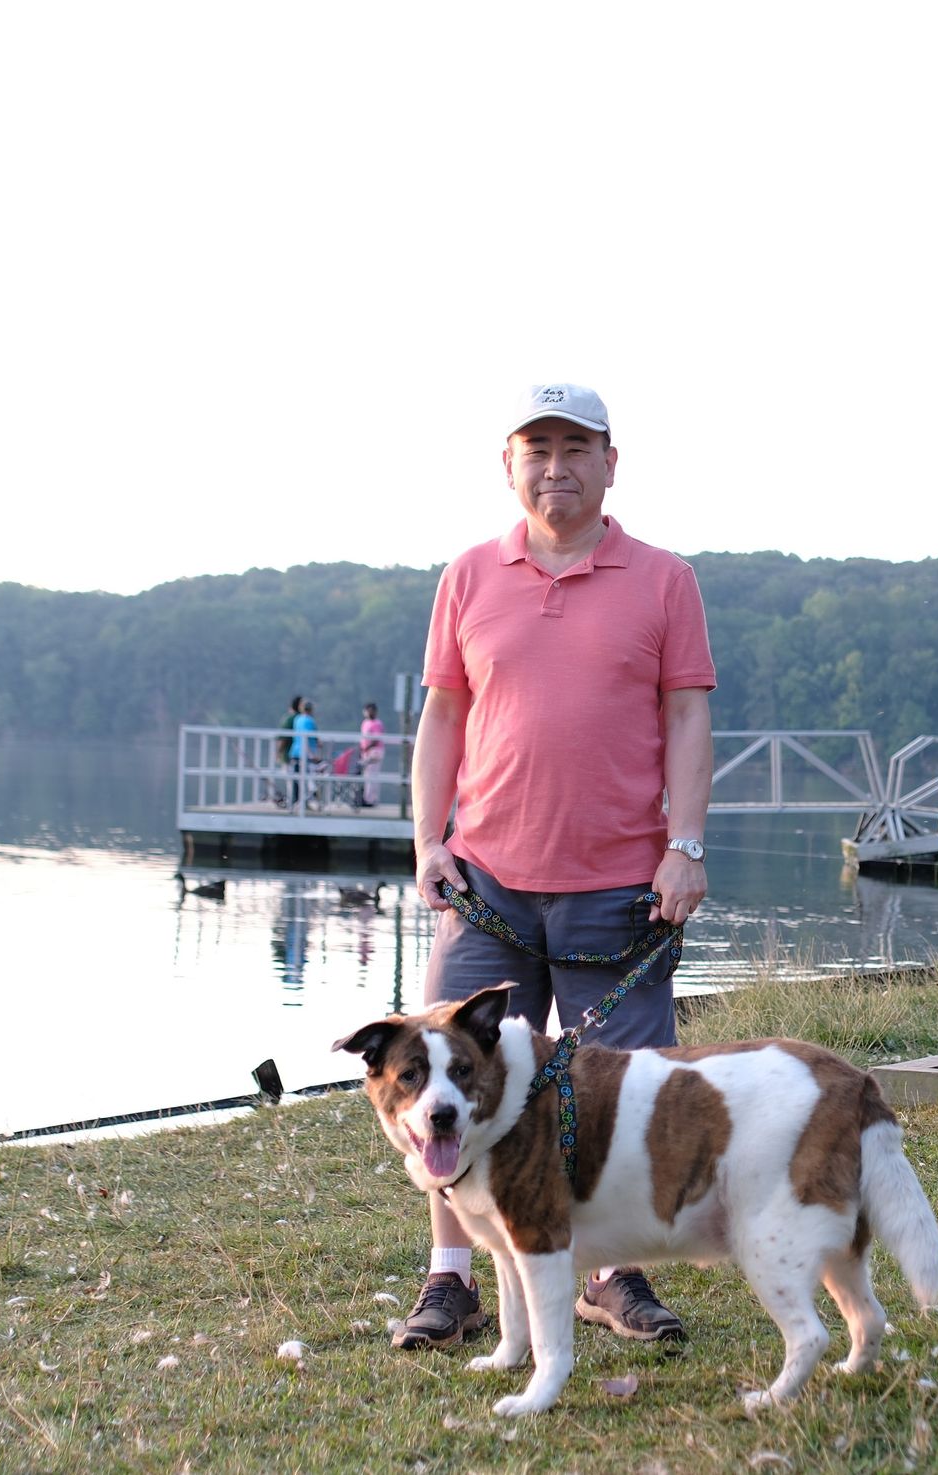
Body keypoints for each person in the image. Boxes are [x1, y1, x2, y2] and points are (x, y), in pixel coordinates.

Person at [397, 383, 715, 1353]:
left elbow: (687, 715)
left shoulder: (663, 579)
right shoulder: (467, 575)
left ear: (610, 461)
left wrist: (684, 844)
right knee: (446, 1082)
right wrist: (426, 836)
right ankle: (450, 1279)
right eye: (534, 448)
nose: (554, 465)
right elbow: (443, 714)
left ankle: (613, 1273)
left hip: (620, 885)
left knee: (623, 1092)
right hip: (487, 882)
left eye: (575, 446)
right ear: (508, 464)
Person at [272, 694, 302, 807]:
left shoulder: (290, 719)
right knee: (298, 780)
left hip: (289, 755)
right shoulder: (302, 719)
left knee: (291, 781)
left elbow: (282, 738)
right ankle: (298, 802)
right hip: (299, 756)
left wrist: (278, 753)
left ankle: (293, 803)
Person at [291, 699, 320, 809]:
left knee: (298, 780)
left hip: (296, 752)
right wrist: (312, 755)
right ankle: (307, 802)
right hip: (306, 754)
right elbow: (305, 738)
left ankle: (297, 802)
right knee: (310, 780)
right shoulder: (309, 721)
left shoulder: (297, 719)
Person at [358, 702, 385, 808]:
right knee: (368, 775)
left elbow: (376, 739)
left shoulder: (377, 723)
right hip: (366, 752)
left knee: (372, 775)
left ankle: (371, 799)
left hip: (374, 752)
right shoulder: (365, 722)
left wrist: (366, 748)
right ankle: (367, 797)